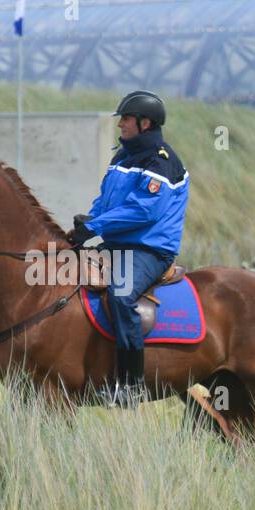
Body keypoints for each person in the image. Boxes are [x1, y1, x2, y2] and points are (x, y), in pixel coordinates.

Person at [68, 90, 189, 407]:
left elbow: (143, 211)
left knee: (120, 296)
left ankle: (130, 386)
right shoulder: (121, 156)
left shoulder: (162, 162)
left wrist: (94, 227)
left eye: (125, 119)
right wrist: (89, 220)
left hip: (149, 252)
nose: (120, 124)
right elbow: (107, 201)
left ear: (144, 123)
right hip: (115, 245)